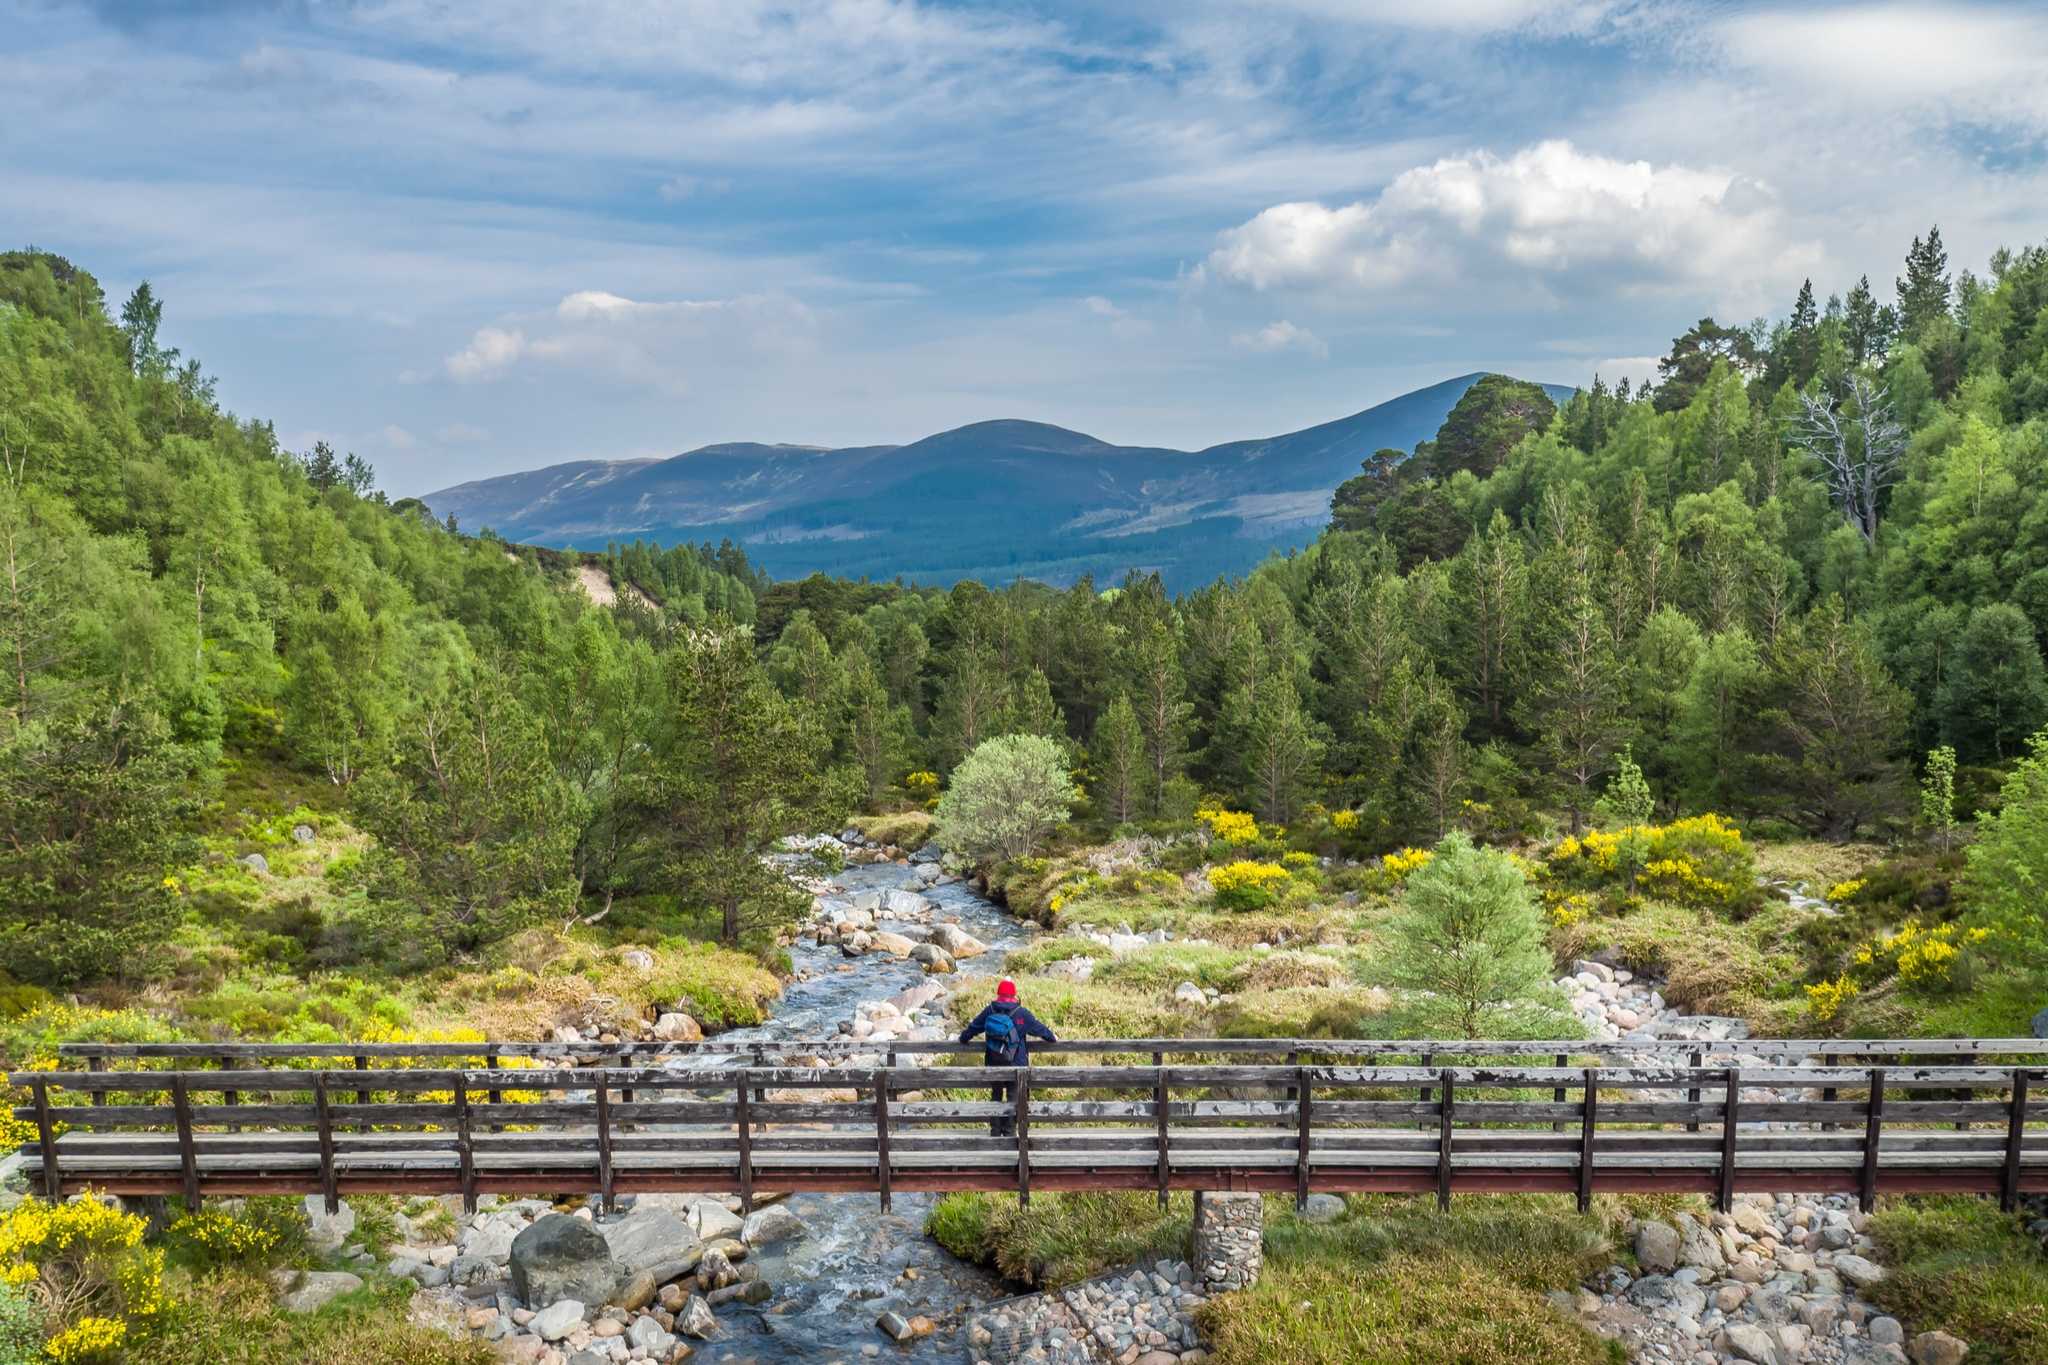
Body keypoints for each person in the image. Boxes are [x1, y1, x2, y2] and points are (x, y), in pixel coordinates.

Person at [958, 979, 1055, 1138]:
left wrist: (963, 1038)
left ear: (998, 994)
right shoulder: (1021, 1013)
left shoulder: (989, 1010)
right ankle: (1010, 1133)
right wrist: (1052, 1037)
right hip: (1016, 1065)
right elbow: (1041, 1030)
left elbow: (973, 1028)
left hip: (993, 1063)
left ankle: (995, 1132)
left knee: (996, 1095)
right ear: (1014, 994)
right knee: (1013, 1097)